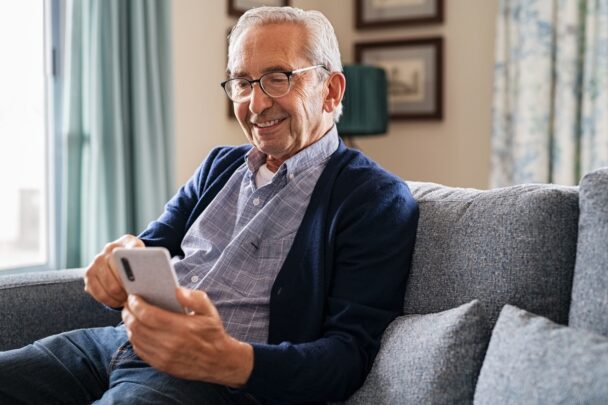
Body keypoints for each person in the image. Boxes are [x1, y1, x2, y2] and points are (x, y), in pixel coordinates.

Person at [0, 6, 418, 405]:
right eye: (242, 82)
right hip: (118, 345)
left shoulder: (374, 199)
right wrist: (118, 264)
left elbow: (347, 358)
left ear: (330, 90)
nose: (255, 104)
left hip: (217, 385)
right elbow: (151, 248)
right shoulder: (220, 165)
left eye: (277, 78)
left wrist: (228, 361)